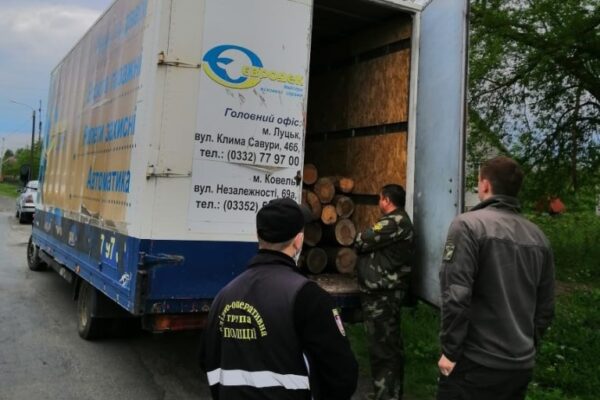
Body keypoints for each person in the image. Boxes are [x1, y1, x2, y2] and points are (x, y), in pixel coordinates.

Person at [200, 197, 358, 400]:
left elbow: (207, 361)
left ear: (258, 236)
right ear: (298, 241)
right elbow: (342, 377)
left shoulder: (224, 296)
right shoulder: (309, 298)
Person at [437, 156, 555, 400]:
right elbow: (545, 308)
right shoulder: (539, 237)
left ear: (485, 185)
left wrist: (450, 351)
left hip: (476, 364)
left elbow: (456, 295)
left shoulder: (467, 226)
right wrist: (526, 347)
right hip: (520, 367)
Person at [354, 184, 415, 400]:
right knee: (387, 348)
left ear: (387, 200)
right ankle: (387, 392)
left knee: (383, 350)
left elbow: (361, 240)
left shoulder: (394, 221)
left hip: (383, 296)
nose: (379, 203)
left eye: (380, 198)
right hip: (383, 294)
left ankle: (387, 395)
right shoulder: (397, 221)